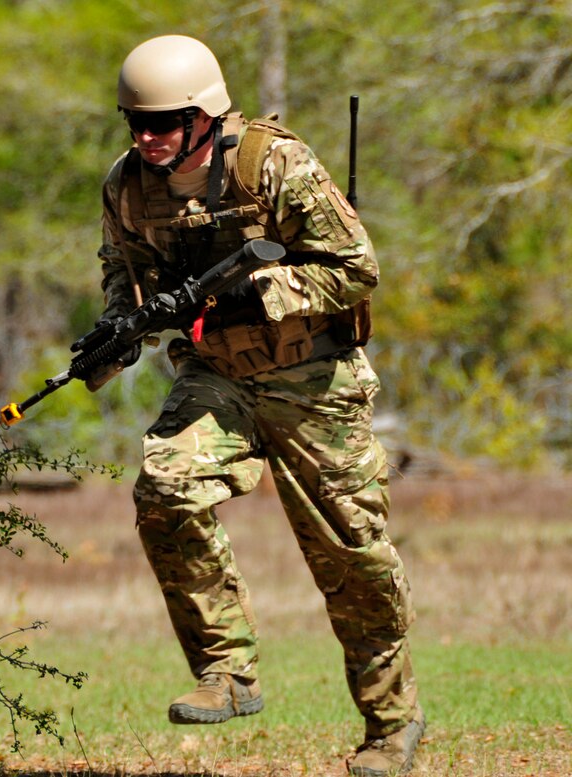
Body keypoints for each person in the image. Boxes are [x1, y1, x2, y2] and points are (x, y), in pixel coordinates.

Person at [93, 35, 424, 777]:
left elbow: (356, 270)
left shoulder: (274, 164)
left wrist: (260, 291)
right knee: (165, 488)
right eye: (135, 124)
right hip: (218, 377)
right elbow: (125, 272)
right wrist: (119, 324)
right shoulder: (125, 188)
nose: (148, 138)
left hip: (314, 378)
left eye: (164, 123)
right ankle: (228, 671)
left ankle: (391, 725)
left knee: (352, 555)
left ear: (204, 117)